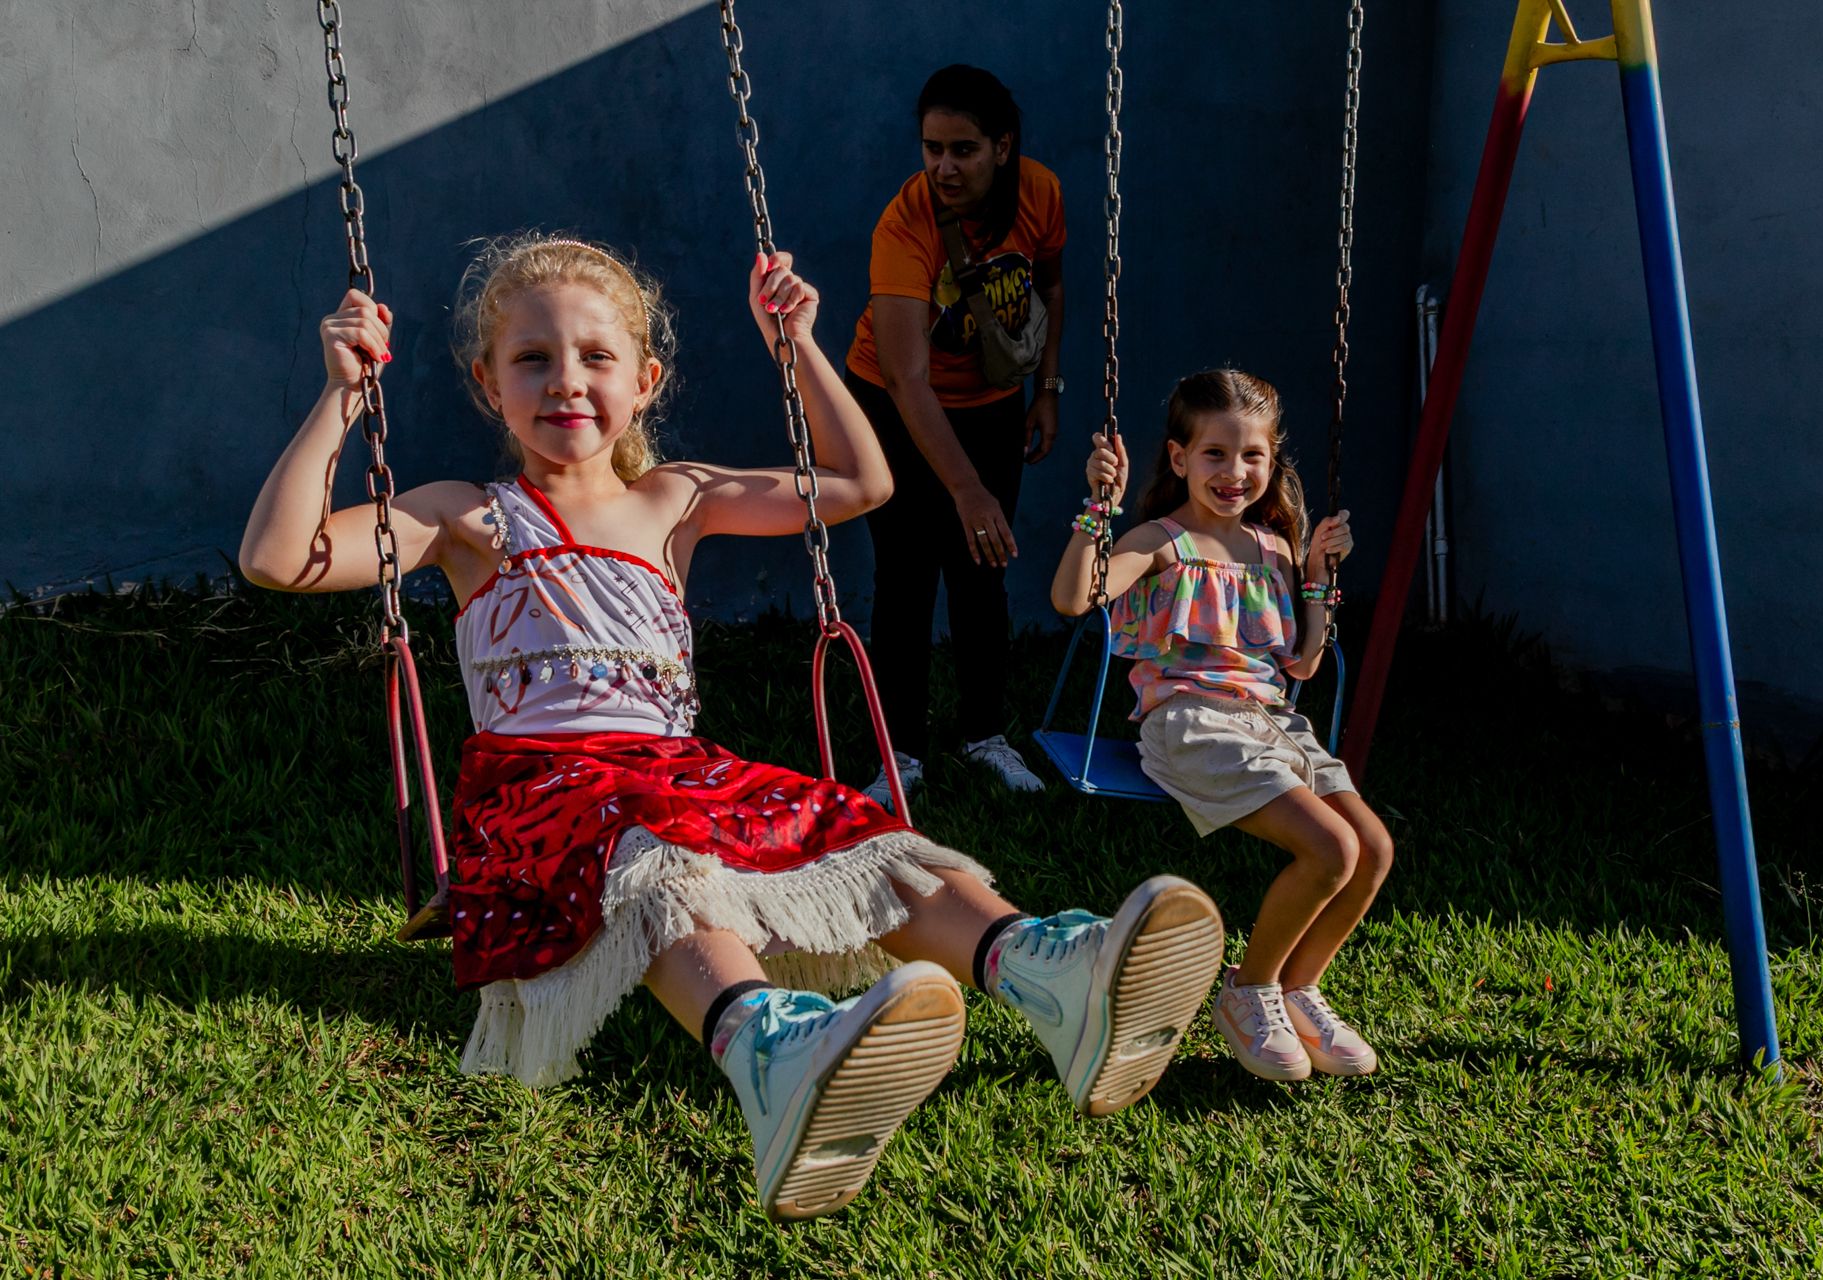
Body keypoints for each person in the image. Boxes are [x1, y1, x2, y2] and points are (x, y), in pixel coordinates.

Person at [240, 235, 1224, 1220]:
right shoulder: (471, 519)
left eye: (596, 356)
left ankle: (1052, 973)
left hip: (675, 770)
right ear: (486, 384)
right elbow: (278, 558)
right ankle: (772, 1049)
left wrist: (798, 345)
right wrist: (342, 396)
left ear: (644, 381)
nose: (566, 381)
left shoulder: (676, 498)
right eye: (532, 359)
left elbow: (862, 484)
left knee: (858, 833)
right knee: (655, 856)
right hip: (544, 792)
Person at [1050, 369, 1393, 1082]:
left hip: (1273, 722)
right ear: (1179, 459)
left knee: (1373, 849)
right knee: (1330, 847)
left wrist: (1318, 575)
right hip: (1190, 723)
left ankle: (1298, 989)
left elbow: (1303, 662)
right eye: (1215, 453)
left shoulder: (1274, 550)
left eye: (1252, 456)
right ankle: (1249, 990)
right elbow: (1074, 598)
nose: (1235, 473)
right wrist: (1098, 511)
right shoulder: (1161, 541)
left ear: (1271, 461)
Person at [844, 65, 1066, 811]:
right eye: (932, 148)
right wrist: (966, 489)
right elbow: (906, 378)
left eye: (963, 149)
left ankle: (983, 734)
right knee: (906, 574)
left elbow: (1051, 285)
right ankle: (899, 752)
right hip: (893, 402)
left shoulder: (1039, 192)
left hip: (993, 402)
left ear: (1002, 146)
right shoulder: (904, 227)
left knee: (983, 570)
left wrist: (1047, 391)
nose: (944, 167)